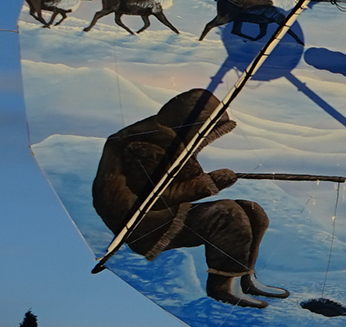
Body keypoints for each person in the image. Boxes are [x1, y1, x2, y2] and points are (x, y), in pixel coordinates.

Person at [91, 88, 288, 309]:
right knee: (227, 214)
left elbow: (179, 180)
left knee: (253, 212)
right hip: (141, 224)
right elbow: (156, 198)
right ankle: (222, 286)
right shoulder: (142, 146)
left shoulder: (170, 141)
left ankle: (244, 278)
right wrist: (208, 183)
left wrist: (208, 181)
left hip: (163, 213)